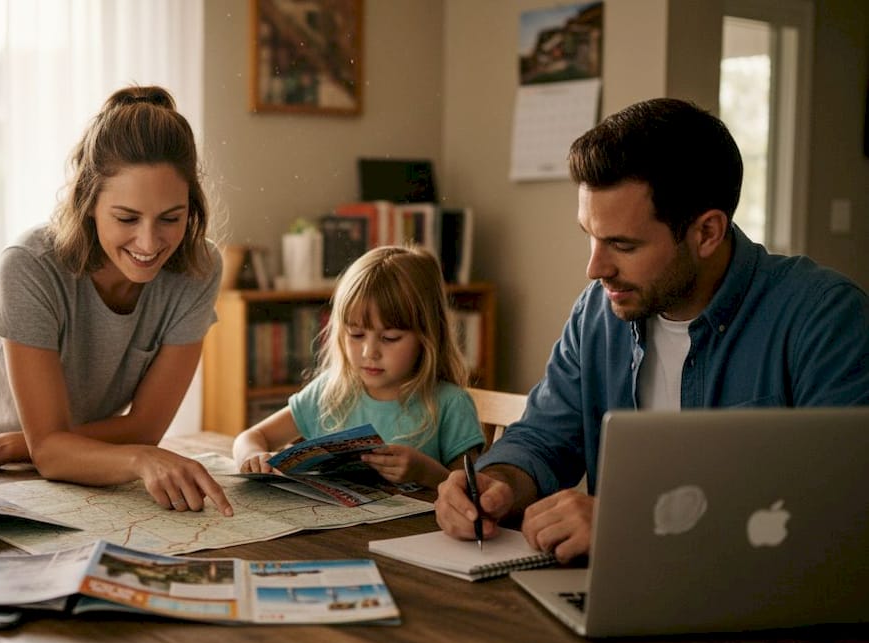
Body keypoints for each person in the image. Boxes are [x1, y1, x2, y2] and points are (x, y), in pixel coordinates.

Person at [435, 98, 869, 562]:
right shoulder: (597, 313)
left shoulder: (824, 317)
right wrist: (496, 483)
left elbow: (844, 504)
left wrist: (633, 523)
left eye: (622, 245)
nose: (595, 268)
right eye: (590, 236)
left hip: (764, 596)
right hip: (617, 591)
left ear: (707, 233)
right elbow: (542, 440)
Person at [0, 85, 234, 517]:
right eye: (126, 218)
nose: (149, 243)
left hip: (46, 449)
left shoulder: (199, 268)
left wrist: (4, 448)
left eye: (170, 218)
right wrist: (136, 458)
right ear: (89, 202)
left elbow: (144, 428)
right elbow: (55, 450)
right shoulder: (30, 264)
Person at [233, 246, 484, 488]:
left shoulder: (450, 404)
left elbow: (470, 492)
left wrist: (425, 473)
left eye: (390, 338)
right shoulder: (329, 391)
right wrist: (253, 456)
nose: (369, 352)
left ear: (428, 336)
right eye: (356, 335)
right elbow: (250, 437)